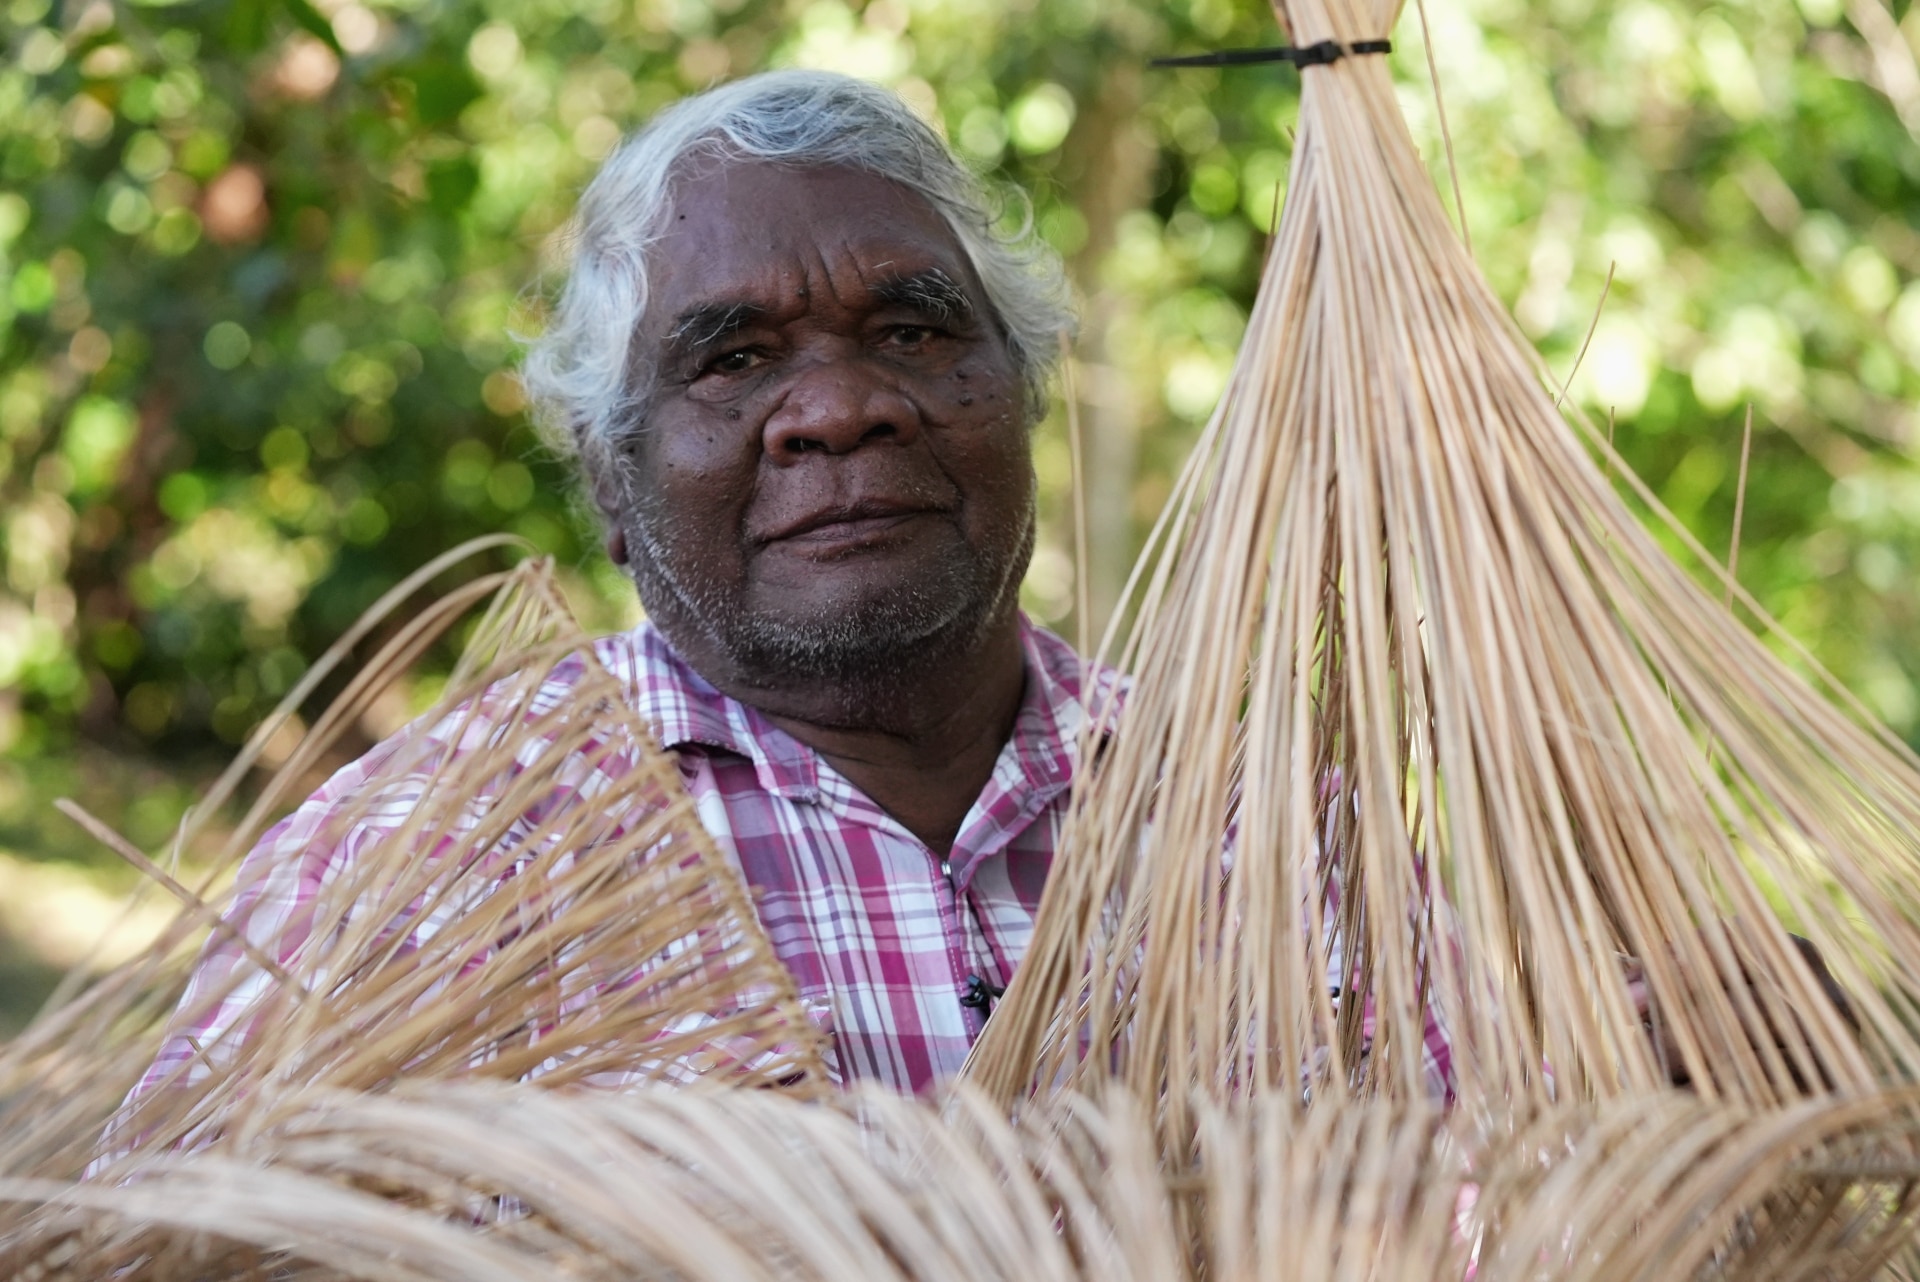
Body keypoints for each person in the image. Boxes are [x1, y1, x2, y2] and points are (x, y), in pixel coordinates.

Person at [129, 69, 1456, 1100]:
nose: (838, 407)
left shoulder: (1284, 840)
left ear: (1024, 392)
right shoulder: (423, 865)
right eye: (733, 358)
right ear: (610, 479)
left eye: (915, 329)